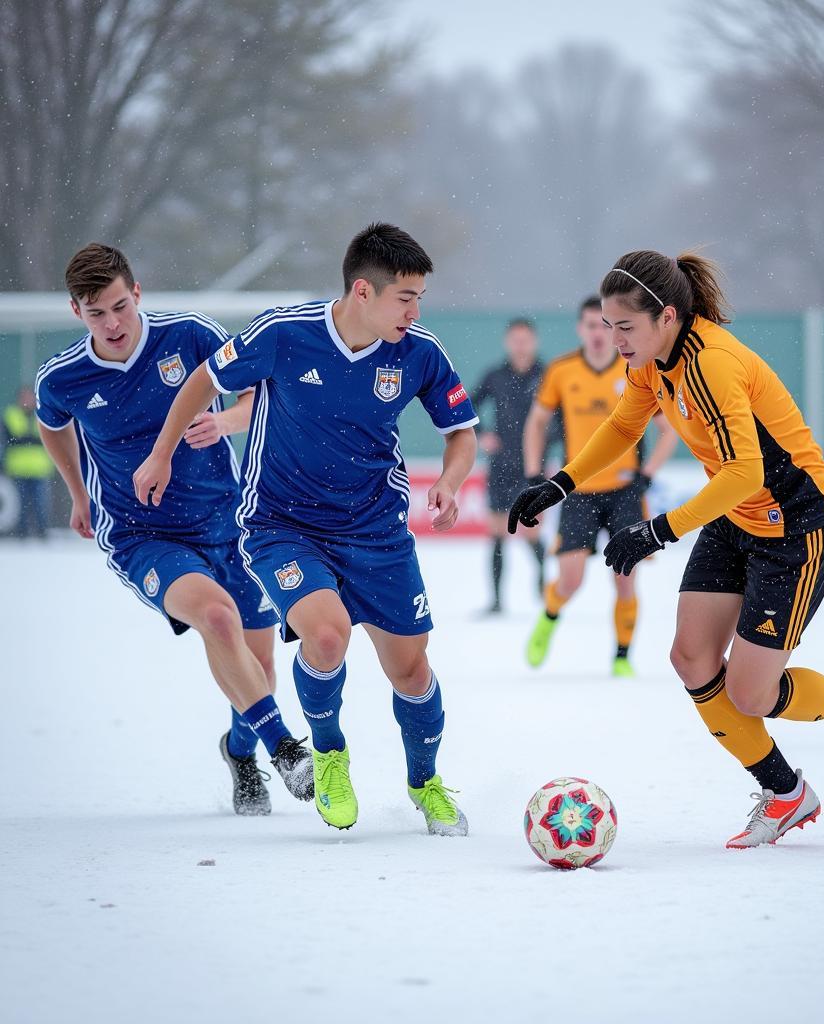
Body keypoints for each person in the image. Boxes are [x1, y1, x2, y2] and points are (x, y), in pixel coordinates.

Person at [509, 251, 824, 849]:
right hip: (735, 515)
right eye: (608, 327)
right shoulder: (651, 361)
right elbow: (621, 427)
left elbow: (747, 470)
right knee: (691, 660)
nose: (615, 340)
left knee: (751, 693)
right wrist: (559, 485)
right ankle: (786, 792)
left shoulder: (711, 363)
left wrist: (658, 530)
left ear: (666, 316)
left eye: (625, 328)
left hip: (798, 526)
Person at [134, 223, 479, 836]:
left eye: (420, 297)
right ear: (364, 292)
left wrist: (450, 481)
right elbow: (202, 382)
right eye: (406, 297)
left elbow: (461, 432)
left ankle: (425, 782)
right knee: (326, 637)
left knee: (411, 671)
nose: (416, 310)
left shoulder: (418, 352)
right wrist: (160, 454)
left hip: (377, 530)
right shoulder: (283, 333)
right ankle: (330, 754)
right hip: (281, 526)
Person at [35, 242, 313, 816]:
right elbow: (51, 425)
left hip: (231, 521)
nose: (112, 324)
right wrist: (78, 491)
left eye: (119, 306)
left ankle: (240, 752)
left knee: (259, 669)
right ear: (76, 312)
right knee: (216, 618)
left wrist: (225, 422)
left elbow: (255, 392)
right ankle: (284, 747)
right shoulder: (62, 377)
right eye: (96, 314)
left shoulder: (188, 335)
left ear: (136, 293)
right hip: (144, 536)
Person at [520, 295, 677, 677]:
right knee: (571, 580)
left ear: (615, 330)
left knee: (625, 579)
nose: (598, 334)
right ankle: (549, 616)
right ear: (580, 329)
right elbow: (536, 422)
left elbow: (669, 429)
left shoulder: (636, 370)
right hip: (579, 491)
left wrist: (649, 472)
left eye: (605, 326)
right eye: (591, 325)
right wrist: (533, 475)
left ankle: (622, 657)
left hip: (624, 492)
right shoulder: (562, 371)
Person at [473, 317, 546, 613]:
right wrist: (481, 434)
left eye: (525, 339)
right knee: (497, 534)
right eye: (515, 339)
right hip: (501, 465)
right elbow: (467, 404)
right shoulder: (495, 375)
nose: (520, 345)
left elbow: (563, 417)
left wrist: (549, 442)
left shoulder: (548, 375)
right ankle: (497, 601)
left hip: (534, 468)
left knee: (532, 534)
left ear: (534, 341)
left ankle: (543, 584)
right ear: (507, 342)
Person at [2, 385, 54, 538]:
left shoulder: (41, 414)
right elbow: (9, 439)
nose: (27, 401)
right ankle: (22, 531)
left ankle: (41, 531)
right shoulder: (11, 414)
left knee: (40, 503)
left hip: (39, 468)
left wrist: (25, 439)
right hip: (18, 467)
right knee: (21, 503)